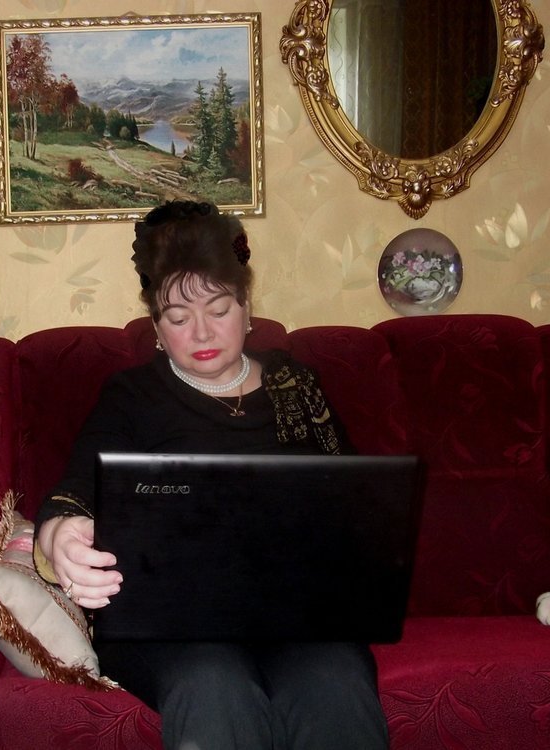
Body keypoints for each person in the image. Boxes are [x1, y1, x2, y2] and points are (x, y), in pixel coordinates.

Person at [33, 200, 389, 750]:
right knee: (214, 685)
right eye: (178, 318)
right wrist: (60, 535)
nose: (201, 331)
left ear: (247, 308)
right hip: (169, 626)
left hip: (294, 616)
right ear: (157, 327)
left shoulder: (295, 383)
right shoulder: (132, 397)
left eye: (218, 309)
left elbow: (353, 498)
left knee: (335, 683)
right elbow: (73, 495)